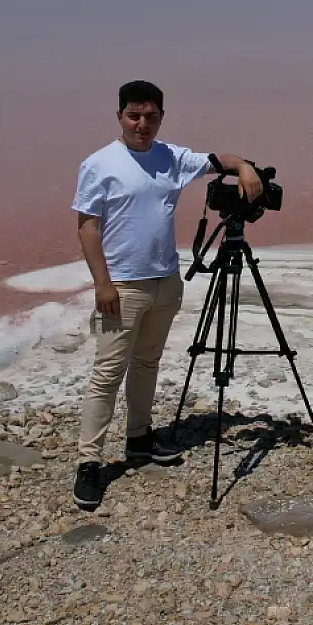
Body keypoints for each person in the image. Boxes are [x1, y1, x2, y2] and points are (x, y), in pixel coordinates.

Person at [68, 79, 265, 510]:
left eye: (150, 116)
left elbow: (219, 160)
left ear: (161, 117)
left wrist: (245, 167)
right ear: (119, 116)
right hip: (122, 284)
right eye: (134, 116)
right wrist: (102, 283)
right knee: (107, 374)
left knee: (146, 363)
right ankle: (89, 463)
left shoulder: (171, 156)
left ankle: (139, 437)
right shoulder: (100, 163)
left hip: (165, 280)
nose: (142, 124)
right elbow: (87, 226)